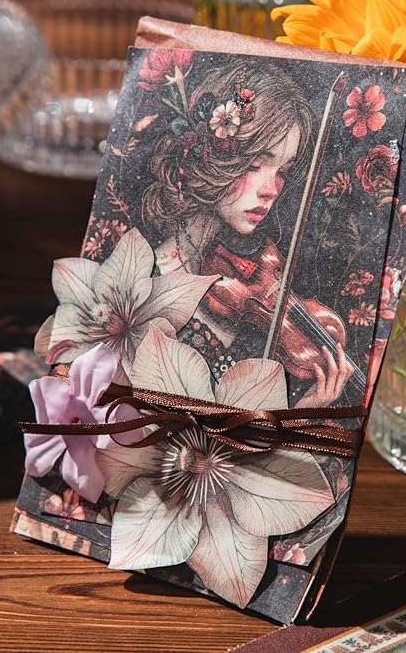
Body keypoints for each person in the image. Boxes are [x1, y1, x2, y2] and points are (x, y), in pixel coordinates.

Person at [142, 57, 352, 408]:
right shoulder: (156, 286)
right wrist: (299, 414)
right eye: (255, 165)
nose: (271, 190)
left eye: (282, 172)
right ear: (214, 159)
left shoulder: (223, 279)